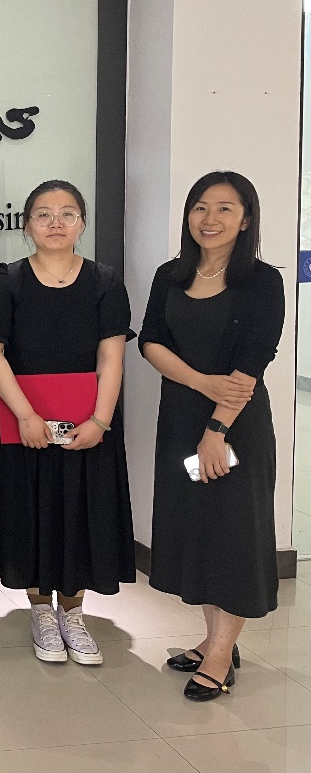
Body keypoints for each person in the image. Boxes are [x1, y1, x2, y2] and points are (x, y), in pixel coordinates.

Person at [0, 179, 135, 667]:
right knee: (28, 508)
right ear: (27, 225)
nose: (56, 223)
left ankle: (74, 611)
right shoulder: (6, 281)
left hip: (88, 421)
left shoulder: (105, 281)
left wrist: (101, 420)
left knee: (82, 509)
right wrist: (26, 415)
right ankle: (41, 611)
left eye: (68, 213)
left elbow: (112, 356)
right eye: (43, 214)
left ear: (82, 223)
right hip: (21, 421)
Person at [139, 172, 283, 701]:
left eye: (225, 208)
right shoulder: (171, 274)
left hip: (234, 425)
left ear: (246, 220)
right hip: (180, 418)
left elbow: (250, 366)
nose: (210, 218)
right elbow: (150, 341)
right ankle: (213, 638)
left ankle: (221, 655)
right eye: (201, 207)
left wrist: (216, 430)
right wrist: (200, 382)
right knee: (198, 530)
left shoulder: (262, 281)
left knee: (234, 535)